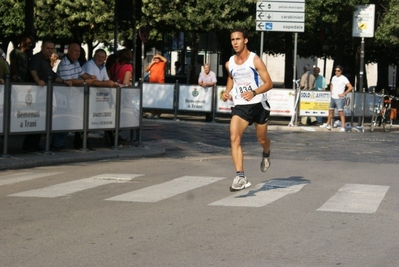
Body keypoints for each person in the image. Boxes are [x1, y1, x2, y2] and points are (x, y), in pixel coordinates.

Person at [221, 28, 273, 191]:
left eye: (238, 39)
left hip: (259, 105)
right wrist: (227, 91)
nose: (235, 42)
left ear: (245, 40)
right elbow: (231, 77)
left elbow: (269, 83)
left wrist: (254, 92)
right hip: (241, 106)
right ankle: (240, 176)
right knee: (234, 137)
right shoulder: (229, 63)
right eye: (232, 40)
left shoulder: (255, 60)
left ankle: (266, 153)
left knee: (262, 139)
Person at [22, 39, 72, 152]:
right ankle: (28, 145)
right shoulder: (37, 58)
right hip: (35, 95)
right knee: (35, 120)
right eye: (47, 48)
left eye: (51, 49)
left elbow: (53, 76)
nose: (50, 51)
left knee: (41, 121)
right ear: (42, 48)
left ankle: (34, 145)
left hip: (43, 95)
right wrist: (37, 80)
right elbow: (33, 70)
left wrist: (64, 81)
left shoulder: (46, 60)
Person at [51, 43, 96, 150]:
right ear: (69, 51)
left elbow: (81, 73)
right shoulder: (65, 63)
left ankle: (60, 143)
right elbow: (70, 80)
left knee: (71, 120)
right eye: (75, 51)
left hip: (73, 98)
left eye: (79, 51)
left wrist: (90, 76)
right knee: (63, 119)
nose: (77, 53)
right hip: (64, 97)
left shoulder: (75, 62)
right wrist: (85, 81)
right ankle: (56, 144)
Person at [320, 65, 354, 132]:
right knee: (330, 111)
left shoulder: (344, 78)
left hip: (339, 98)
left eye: (338, 71)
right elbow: (331, 84)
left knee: (341, 112)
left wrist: (343, 94)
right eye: (335, 70)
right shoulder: (334, 77)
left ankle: (343, 127)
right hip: (333, 97)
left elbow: (350, 87)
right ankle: (328, 124)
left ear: (341, 71)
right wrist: (331, 92)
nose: (336, 72)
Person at [144, 52, 167, 119]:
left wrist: (159, 56)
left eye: (157, 58)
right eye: (155, 58)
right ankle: (153, 113)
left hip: (159, 84)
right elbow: (146, 70)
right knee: (152, 99)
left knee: (158, 99)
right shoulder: (152, 64)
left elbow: (165, 60)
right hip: (152, 84)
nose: (156, 59)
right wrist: (151, 63)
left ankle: (158, 113)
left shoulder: (162, 64)